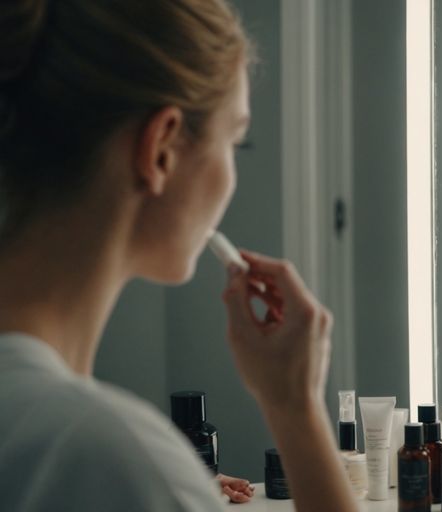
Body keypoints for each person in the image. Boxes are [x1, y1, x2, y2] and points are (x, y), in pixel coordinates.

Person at [0, 1, 357, 510]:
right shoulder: (103, 455)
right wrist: (295, 407)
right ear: (161, 150)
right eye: (237, 140)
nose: (232, 175)